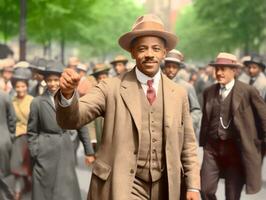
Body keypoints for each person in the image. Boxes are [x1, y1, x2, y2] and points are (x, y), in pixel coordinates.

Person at [55, 14, 200, 200]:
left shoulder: (178, 93)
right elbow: (72, 119)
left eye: (156, 49)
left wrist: (193, 186)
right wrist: (67, 95)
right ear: (132, 52)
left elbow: (188, 144)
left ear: (164, 52)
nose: (149, 54)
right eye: (142, 49)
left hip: (165, 185)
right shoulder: (110, 87)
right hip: (124, 185)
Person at [199, 52, 266, 200]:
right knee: (205, 190)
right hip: (212, 149)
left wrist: (260, 146)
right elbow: (206, 120)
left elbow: (263, 118)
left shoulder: (248, 91)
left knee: (232, 195)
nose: (219, 73)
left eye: (223, 69)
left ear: (234, 71)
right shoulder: (208, 92)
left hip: (236, 151)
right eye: (217, 69)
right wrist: (203, 143)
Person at [27, 60, 94, 200]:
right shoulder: (37, 102)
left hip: (65, 146)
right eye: (49, 80)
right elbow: (32, 131)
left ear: (61, 80)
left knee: (65, 186)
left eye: (56, 80)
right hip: (44, 149)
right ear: (45, 81)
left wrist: (89, 151)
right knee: (44, 186)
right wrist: (35, 150)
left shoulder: (70, 99)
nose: (52, 84)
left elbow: (81, 125)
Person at [164, 49, 202, 134]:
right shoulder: (158, 85)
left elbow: (196, 110)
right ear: (164, 67)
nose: (171, 70)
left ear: (179, 68)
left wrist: (187, 127)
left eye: (174, 67)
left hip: (180, 133)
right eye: (168, 66)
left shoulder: (187, 87)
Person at [9, 66, 33, 200]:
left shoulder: (32, 101)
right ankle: (17, 192)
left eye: (23, 86)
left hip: (30, 136)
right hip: (17, 137)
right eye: (17, 87)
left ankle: (28, 183)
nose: (20, 89)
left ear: (27, 86)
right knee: (16, 164)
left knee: (28, 164)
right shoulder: (11, 101)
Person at [0, 89, 16, 199]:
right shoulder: (5, 96)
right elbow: (12, 118)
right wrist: (10, 135)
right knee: (5, 171)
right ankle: (8, 195)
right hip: (3, 138)